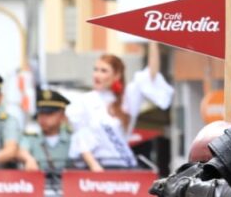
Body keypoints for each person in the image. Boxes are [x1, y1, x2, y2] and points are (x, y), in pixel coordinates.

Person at [67, 41, 173, 170]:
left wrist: (153, 42)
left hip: (123, 166)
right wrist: (95, 167)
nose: (97, 75)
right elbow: (81, 138)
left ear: (116, 75)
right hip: (95, 169)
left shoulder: (127, 97)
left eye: (103, 71)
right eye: (96, 70)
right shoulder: (84, 101)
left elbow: (151, 74)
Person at [17, 88, 72, 173]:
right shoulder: (31, 137)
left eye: (49, 114)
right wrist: (28, 159)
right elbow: (20, 150)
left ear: (62, 115)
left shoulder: (72, 138)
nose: (43, 118)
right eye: (41, 113)